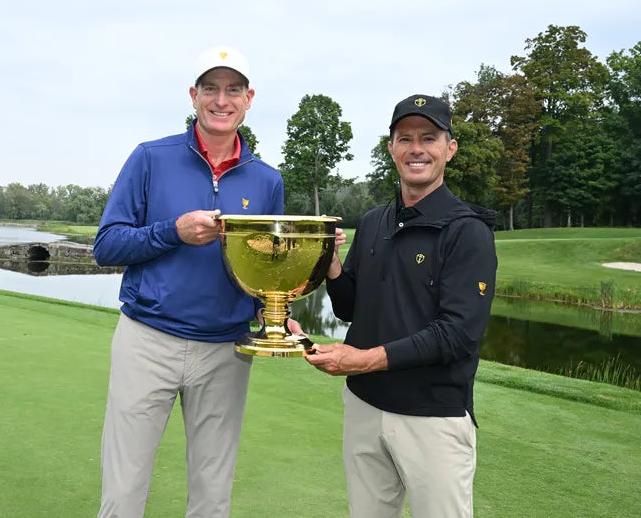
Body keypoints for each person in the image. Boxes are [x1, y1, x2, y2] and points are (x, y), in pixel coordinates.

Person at [93, 46, 285, 518]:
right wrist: (172, 231)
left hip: (226, 350)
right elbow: (107, 246)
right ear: (194, 96)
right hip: (147, 340)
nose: (222, 100)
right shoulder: (150, 158)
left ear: (249, 98)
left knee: (213, 495)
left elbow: (266, 273)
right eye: (212, 89)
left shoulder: (266, 180)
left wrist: (277, 313)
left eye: (233, 90)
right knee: (123, 490)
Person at [305, 94, 497, 518]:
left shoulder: (468, 231)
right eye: (404, 138)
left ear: (450, 148)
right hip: (364, 407)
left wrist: (363, 359)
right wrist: (332, 266)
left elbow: (458, 334)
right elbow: (350, 307)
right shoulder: (375, 221)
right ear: (390, 147)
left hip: (432, 417)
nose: (416, 149)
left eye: (429, 138)